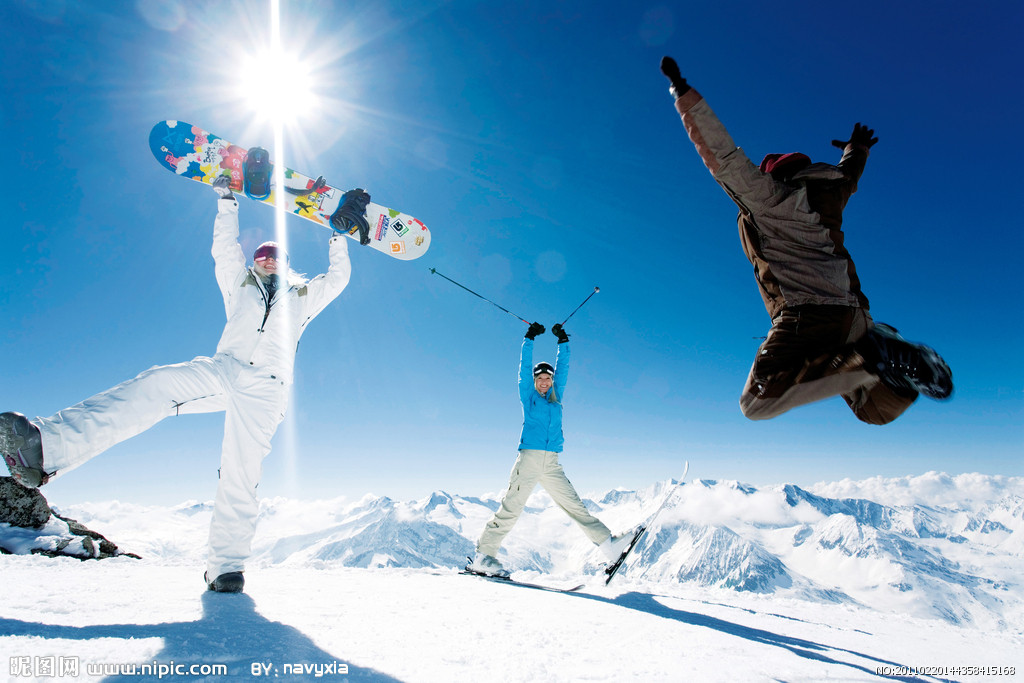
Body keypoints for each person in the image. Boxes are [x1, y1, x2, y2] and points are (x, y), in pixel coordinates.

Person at [1, 176, 366, 592]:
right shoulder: (239, 284)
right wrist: (226, 200)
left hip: (267, 388)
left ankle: (225, 568)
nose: (267, 259)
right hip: (224, 369)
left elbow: (337, 280)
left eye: (274, 256)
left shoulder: (302, 298)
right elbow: (223, 252)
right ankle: (44, 447)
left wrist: (339, 239)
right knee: (156, 384)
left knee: (241, 472)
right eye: (262, 254)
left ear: (285, 264)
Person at [658, 56, 952, 425]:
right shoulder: (832, 193)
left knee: (758, 402)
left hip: (806, 314)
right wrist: (857, 148)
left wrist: (682, 94)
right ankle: (884, 353)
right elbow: (849, 173)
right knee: (872, 409)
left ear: (774, 175)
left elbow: (723, 156)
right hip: (855, 316)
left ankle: (874, 355)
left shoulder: (768, 198)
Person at [467, 322, 634, 578]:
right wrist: (529, 338)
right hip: (530, 460)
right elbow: (523, 369)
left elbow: (564, 369)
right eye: (540, 379)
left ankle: (608, 547)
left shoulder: (557, 398)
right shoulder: (528, 397)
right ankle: (483, 557)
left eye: (548, 378)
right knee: (511, 508)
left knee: (574, 505)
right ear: (535, 381)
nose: (545, 382)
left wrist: (563, 342)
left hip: (552, 463)